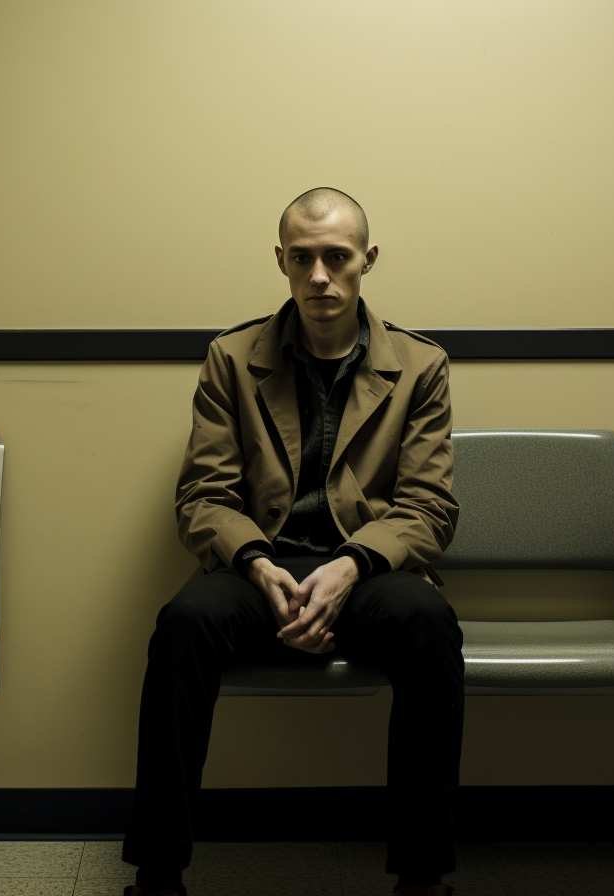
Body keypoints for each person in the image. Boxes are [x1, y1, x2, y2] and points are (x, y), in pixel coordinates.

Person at [122, 188, 465, 896]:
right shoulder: (230, 358)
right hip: (260, 561)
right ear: (280, 260)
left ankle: (423, 877)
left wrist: (350, 565)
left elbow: (428, 507)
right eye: (302, 259)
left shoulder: (421, 365)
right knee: (183, 625)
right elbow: (204, 497)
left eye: (336, 258)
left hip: (367, 564)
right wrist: (254, 563)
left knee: (430, 625)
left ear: (367, 260)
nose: (319, 277)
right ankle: (158, 875)